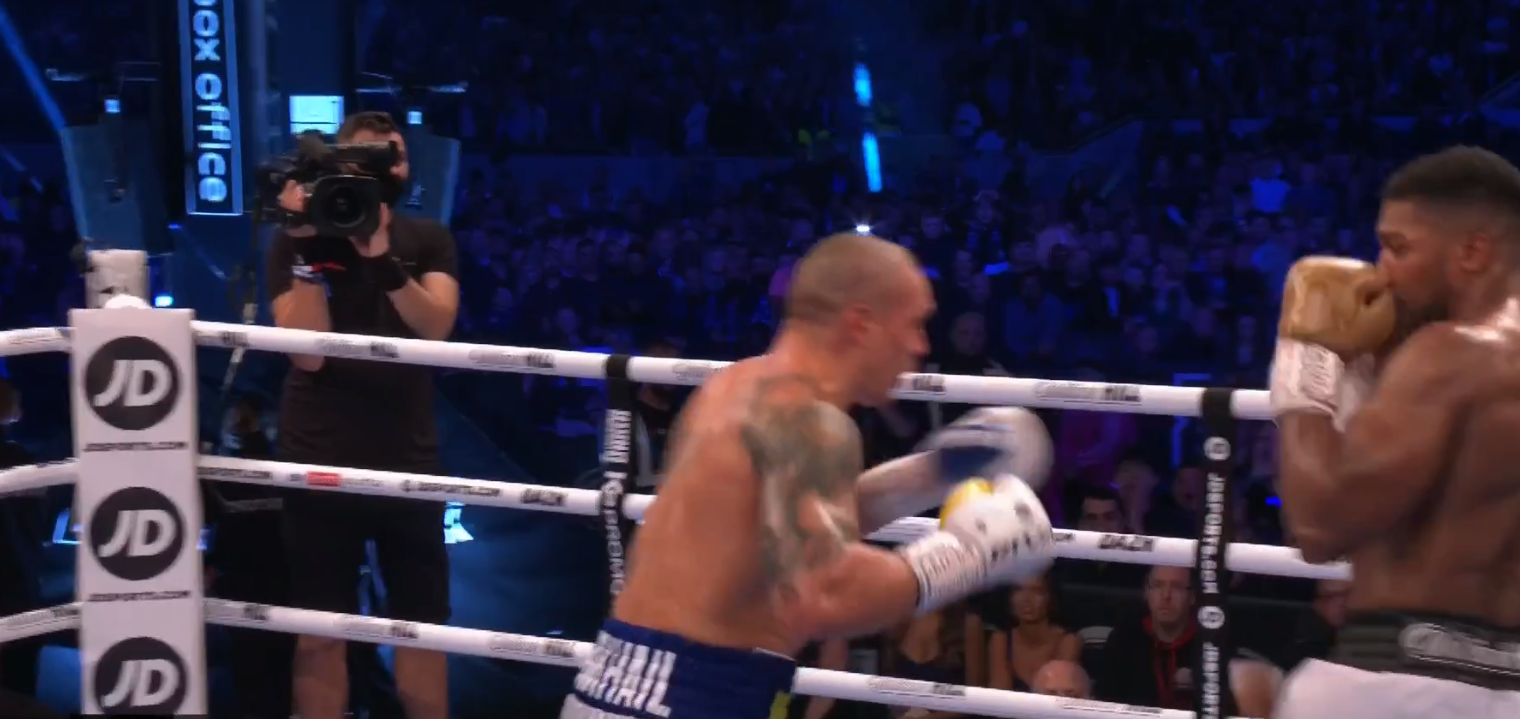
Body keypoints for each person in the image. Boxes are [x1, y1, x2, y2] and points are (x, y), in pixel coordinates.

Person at [561, 233, 1058, 719]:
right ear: (861, 324)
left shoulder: (743, 385)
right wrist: (968, 555)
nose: (920, 345)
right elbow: (823, 593)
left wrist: (933, 471)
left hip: (633, 683)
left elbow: (781, 533)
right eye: (914, 324)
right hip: (683, 696)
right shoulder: (807, 421)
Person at [1271, 145, 1520, 718]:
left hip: (1399, 684)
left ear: (1473, 251)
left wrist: (1306, 364)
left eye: (1399, 247)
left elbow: (1319, 525)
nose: (1382, 270)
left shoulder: (1449, 353)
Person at [265, 110, 459, 719]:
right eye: (370, 158)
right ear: (340, 166)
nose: (386, 169)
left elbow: (436, 328)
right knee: (320, 632)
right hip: (320, 456)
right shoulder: (297, 239)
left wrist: (380, 259)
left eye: (394, 157)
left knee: (421, 629)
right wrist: (305, 249)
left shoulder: (428, 238)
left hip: (407, 458)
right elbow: (309, 355)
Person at [985, 574, 1080, 692]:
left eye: (1037, 591)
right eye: (1018, 590)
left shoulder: (1068, 641)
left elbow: (1055, 695)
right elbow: (999, 695)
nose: (1027, 599)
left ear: (1050, 598)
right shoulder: (1000, 639)